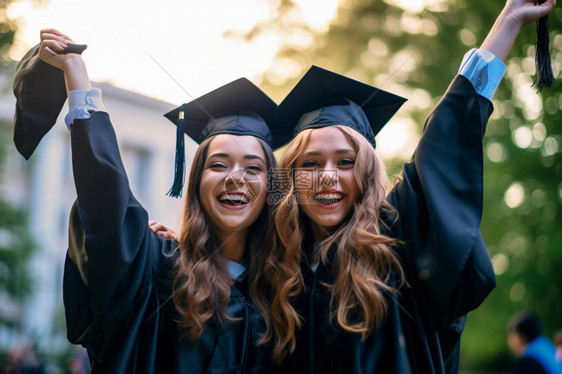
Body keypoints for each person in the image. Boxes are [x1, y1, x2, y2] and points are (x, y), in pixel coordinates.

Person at [264, 0, 557, 373]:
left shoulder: (398, 238)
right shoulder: (277, 260)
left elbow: (443, 145)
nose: (327, 175)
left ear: (367, 172)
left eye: (346, 161)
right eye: (310, 163)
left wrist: (507, 21)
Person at [15, 29, 284, 373]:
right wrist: (77, 77)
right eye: (218, 165)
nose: (234, 177)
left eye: (253, 168)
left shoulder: (286, 289)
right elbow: (107, 207)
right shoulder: (158, 267)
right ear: (197, 183)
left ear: (272, 187)